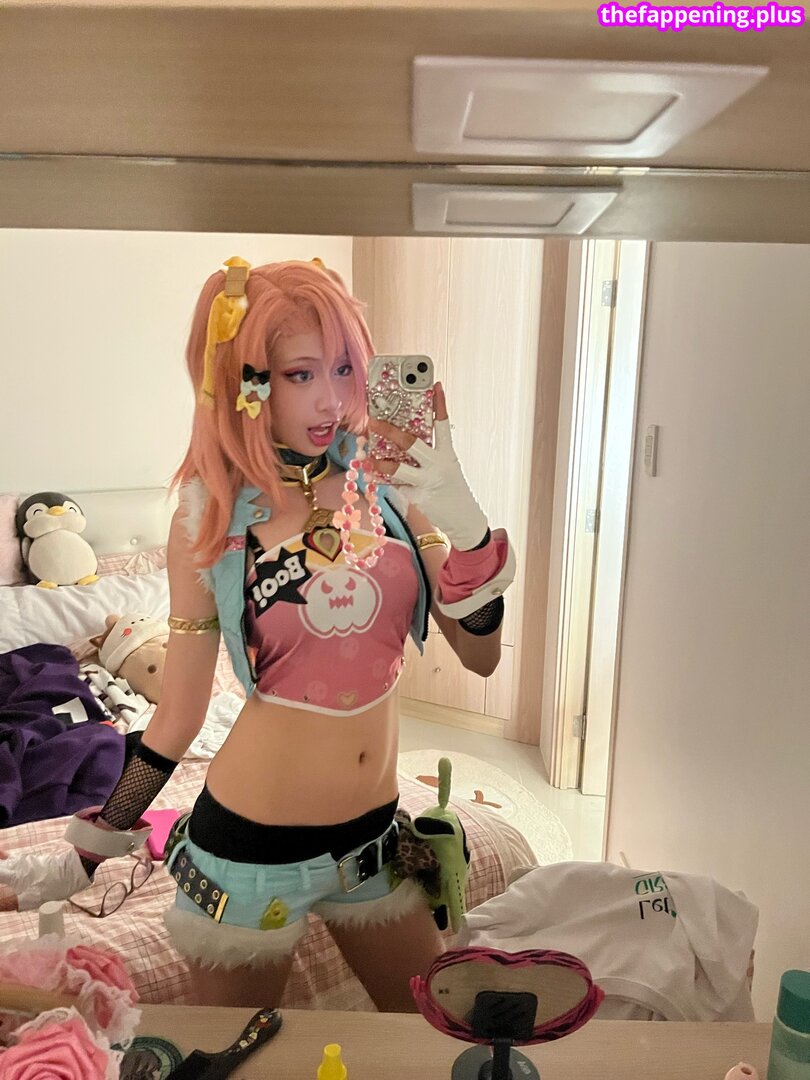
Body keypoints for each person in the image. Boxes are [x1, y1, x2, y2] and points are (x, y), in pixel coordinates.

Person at [0, 258, 516, 1011]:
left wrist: (464, 521)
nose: (332, 399)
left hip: (373, 842)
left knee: (432, 1032)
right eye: (300, 374)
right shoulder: (209, 518)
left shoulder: (389, 484)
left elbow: (480, 653)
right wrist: (92, 848)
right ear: (246, 384)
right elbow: (177, 718)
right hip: (249, 853)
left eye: (344, 368)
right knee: (235, 1058)